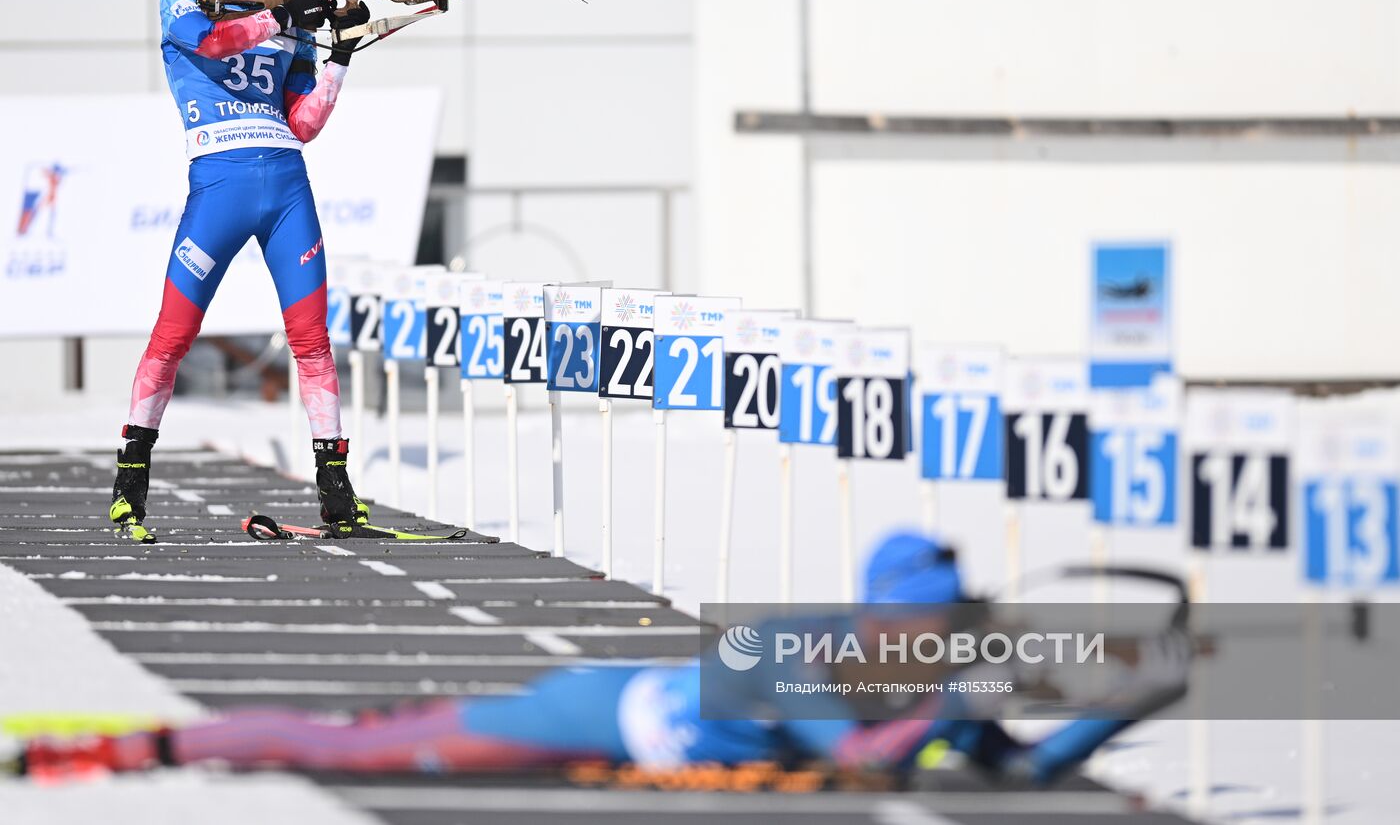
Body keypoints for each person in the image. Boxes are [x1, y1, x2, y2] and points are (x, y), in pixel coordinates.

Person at [19, 533, 1187, 784]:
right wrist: (951, 698)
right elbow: (869, 760)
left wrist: (1133, 703)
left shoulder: (909, 664)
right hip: (598, 714)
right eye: (938, 623)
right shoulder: (788, 650)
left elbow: (1018, 773)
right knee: (362, 750)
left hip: (633, 718)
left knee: (384, 734)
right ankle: (119, 749)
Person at [110, 0, 370, 543]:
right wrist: (284, 15)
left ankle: (337, 493)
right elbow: (212, 42)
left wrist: (338, 53)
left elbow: (303, 124)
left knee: (312, 340)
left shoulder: (290, 16)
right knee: (173, 337)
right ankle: (129, 487)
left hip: (286, 187)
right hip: (219, 185)